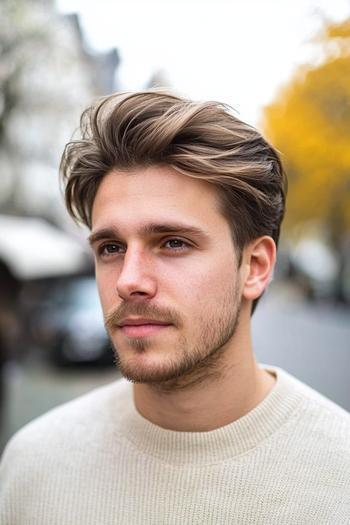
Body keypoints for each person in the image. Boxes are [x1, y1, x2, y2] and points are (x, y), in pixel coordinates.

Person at [0, 91, 349, 524]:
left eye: (173, 243)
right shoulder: (33, 466)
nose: (128, 280)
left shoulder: (339, 475)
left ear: (255, 267)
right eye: (110, 247)